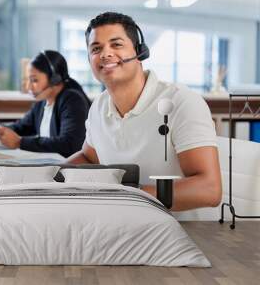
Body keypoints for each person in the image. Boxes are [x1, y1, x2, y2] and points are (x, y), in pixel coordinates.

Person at [67, 12, 222, 211]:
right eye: (96, 48)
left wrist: (129, 196)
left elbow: (209, 189)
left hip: (181, 230)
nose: (105, 54)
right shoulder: (99, 105)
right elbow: (89, 158)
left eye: (116, 44)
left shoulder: (181, 102)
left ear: (140, 52)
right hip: (122, 221)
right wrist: (48, 176)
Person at [0, 50, 91, 157]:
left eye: (34, 80)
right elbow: (20, 128)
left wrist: (20, 142)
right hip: (53, 166)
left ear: (54, 79)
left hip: (71, 170)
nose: (29, 87)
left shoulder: (72, 100)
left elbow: (70, 144)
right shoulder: (42, 102)